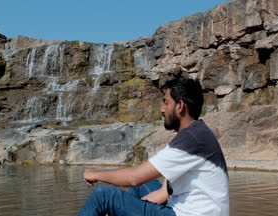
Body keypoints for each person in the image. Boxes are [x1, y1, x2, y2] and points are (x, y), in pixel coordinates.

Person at [78, 77, 229, 216]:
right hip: (180, 209)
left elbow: (134, 178)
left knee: (103, 195)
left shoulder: (191, 139)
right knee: (145, 184)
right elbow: (164, 192)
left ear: (180, 106)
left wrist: (95, 174)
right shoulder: (196, 133)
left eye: (166, 102)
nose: (162, 109)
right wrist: (127, 208)